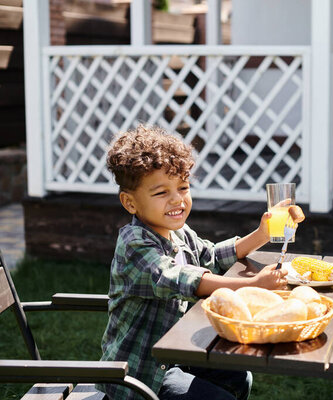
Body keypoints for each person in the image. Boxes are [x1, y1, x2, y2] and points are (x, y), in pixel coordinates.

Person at [97, 125, 297, 400]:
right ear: (130, 202)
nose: (177, 199)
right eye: (161, 193)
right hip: (140, 375)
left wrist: (263, 233)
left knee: (238, 376)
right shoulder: (134, 243)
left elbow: (213, 256)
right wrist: (253, 284)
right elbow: (177, 277)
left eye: (183, 187)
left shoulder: (179, 232)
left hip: (177, 354)